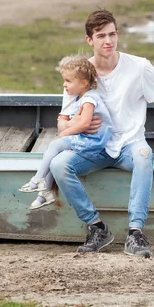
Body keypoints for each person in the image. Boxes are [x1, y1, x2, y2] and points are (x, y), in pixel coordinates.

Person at [50, 9, 154, 257]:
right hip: (93, 147)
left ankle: (135, 234)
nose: (108, 41)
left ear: (118, 34)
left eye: (112, 34)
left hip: (129, 145)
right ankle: (97, 228)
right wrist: (79, 125)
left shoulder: (140, 67)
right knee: (58, 165)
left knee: (144, 155)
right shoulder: (79, 72)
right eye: (100, 36)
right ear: (89, 40)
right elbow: (62, 126)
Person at [19, 55, 113, 210]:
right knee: (56, 152)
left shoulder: (89, 99)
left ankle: (37, 179)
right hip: (87, 138)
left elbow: (84, 123)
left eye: (68, 81)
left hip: (93, 142)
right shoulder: (82, 97)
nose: (64, 85)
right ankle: (45, 194)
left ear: (83, 83)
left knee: (55, 145)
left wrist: (65, 133)